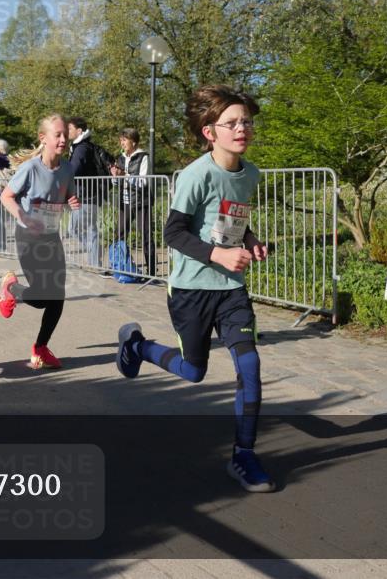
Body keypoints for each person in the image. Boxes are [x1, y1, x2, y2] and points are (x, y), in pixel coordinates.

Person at [115, 85, 274, 493]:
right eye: (232, 123)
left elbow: (231, 220)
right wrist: (219, 255)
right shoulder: (195, 175)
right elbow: (173, 231)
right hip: (191, 288)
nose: (243, 129)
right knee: (194, 371)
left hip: (231, 290)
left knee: (250, 365)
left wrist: (250, 241)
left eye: (247, 122)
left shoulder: (250, 173)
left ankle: (244, 455)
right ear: (209, 131)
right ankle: (137, 345)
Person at [0, 115, 81, 370]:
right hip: (29, 238)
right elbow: (6, 196)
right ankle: (11, 288)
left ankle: (40, 348)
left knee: (58, 296)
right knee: (43, 296)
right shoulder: (31, 168)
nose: (64, 139)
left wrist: (72, 202)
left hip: (51, 237)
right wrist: (23, 217)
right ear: (44, 139)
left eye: (65, 134)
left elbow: (67, 196)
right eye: (58, 134)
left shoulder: (66, 168)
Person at [111, 128, 156, 277]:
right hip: (125, 201)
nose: (122, 142)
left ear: (134, 142)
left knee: (146, 235)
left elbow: (143, 182)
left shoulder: (143, 157)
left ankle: (151, 271)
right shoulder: (120, 158)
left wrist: (125, 175)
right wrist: (115, 176)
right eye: (121, 139)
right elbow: (116, 184)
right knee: (119, 234)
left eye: (125, 139)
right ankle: (118, 266)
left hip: (141, 201)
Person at [66, 117, 108, 270]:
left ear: (79, 131)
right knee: (90, 229)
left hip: (86, 195)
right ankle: (95, 260)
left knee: (74, 229)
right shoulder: (83, 146)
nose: (67, 131)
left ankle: (95, 255)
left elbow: (74, 169)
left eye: (69, 128)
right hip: (90, 194)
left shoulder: (82, 148)